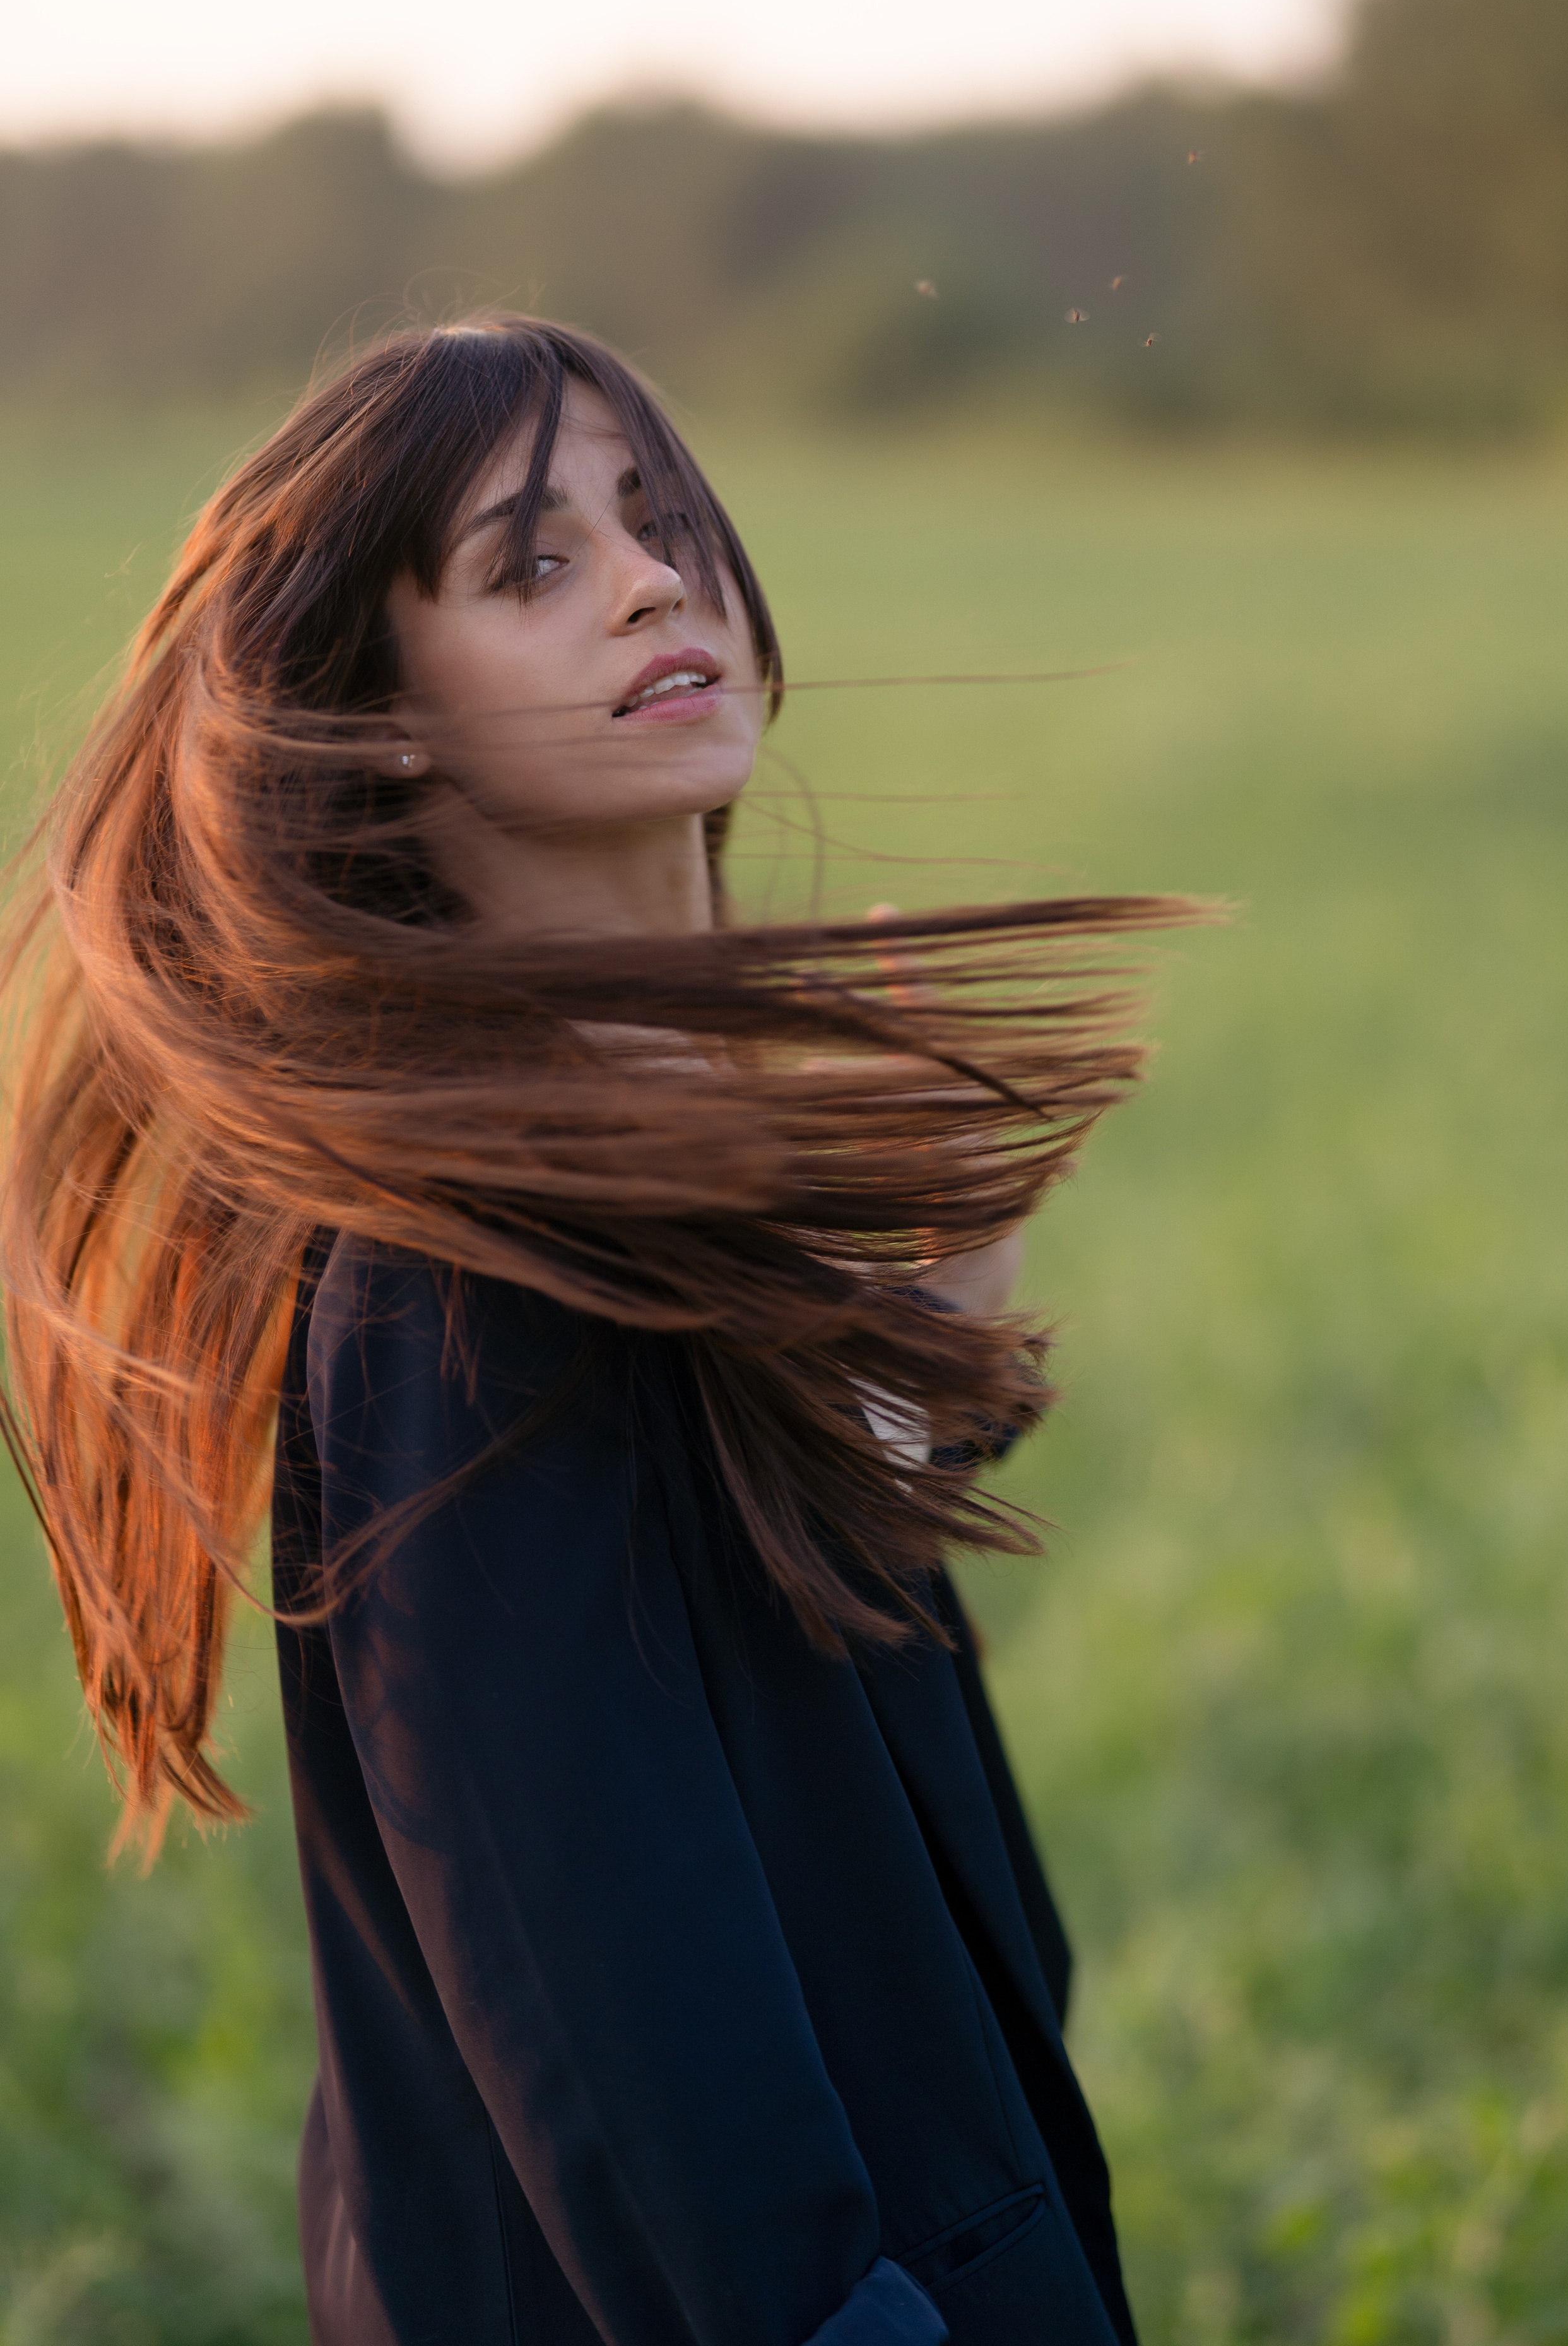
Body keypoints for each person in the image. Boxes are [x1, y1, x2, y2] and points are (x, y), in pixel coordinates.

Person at [0, 316, 1186, 2344]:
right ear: (379, 721)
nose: (657, 579)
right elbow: (603, 1986)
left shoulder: (641, 1170)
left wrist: (917, 1373)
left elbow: (733, 1620)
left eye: (658, 522)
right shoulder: (466, 1273)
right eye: (530, 563)